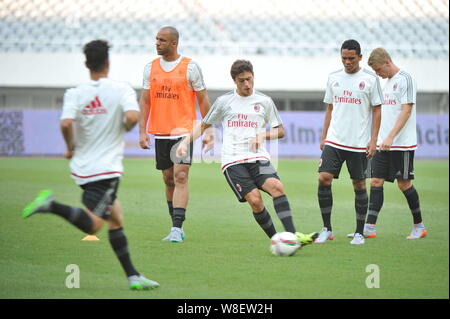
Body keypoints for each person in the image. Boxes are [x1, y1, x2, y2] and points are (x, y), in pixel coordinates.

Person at [21, 40, 159, 290]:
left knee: (116, 219)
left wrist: (70, 146)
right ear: (108, 62)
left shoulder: (75, 93)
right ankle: (49, 205)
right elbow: (132, 117)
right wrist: (124, 126)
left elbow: (65, 124)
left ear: (86, 64)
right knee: (95, 224)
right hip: (105, 170)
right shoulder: (121, 89)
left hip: (82, 168)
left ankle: (133, 277)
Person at [176, 59, 318, 245]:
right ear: (234, 80)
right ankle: (277, 239)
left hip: (258, 157)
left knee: (277, 187)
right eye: (242, 80)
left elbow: (281, 130)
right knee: (255, 201)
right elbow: (204, 125)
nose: (247, 84)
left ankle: (292, 236)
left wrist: (263, 135)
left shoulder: (264, 101)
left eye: (250, 79)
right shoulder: (224, 102)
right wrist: (185, 142)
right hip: (233, 161)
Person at [139, 26, 212, 243]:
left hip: (184, 131)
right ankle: (175, 224)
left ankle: (176, 228)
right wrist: (142, 130)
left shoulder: (190, 67)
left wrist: (207, 130)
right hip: (161, 131)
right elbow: (145, 100)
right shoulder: (149, 68)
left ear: (174, 43)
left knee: (181, 176)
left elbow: (203, 99)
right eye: (156, 39)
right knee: (168, 178)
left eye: (162, 40)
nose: (157, 43)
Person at [353, 47, 427, 239]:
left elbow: (406, 111)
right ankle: (369, 227)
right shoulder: (386, 83)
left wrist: (391, 137)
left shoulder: (406, 79)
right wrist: (375, 139)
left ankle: (419, 226)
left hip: (401, 144)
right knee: (376, 181)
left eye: (379, 70)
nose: (378, 74)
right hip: (382, 145)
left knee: (404, 184)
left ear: (387, 62)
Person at [315, 39, 383, 245]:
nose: (347, 62)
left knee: (359, 184)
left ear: (360, 57)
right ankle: (327, 229)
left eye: (351, 58)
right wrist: (324, 135)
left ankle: (359, 232)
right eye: (344, 58)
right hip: (335, 141)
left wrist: (374, 140)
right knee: (323, 178)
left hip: (358, 143)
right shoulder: (334, 78)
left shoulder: (370, 80)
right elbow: (329, 108)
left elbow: (377, 109)